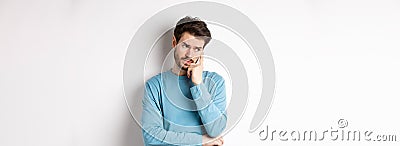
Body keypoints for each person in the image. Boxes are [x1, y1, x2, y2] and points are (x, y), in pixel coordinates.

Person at [141, 16, 227, 146]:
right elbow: (151, 138)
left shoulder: (215, 82)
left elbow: (215, 130)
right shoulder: (155, 86)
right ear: (174, 43)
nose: (190, 54)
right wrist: (201, 141)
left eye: (197, 49)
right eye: (185, 46)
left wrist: (198, 84)